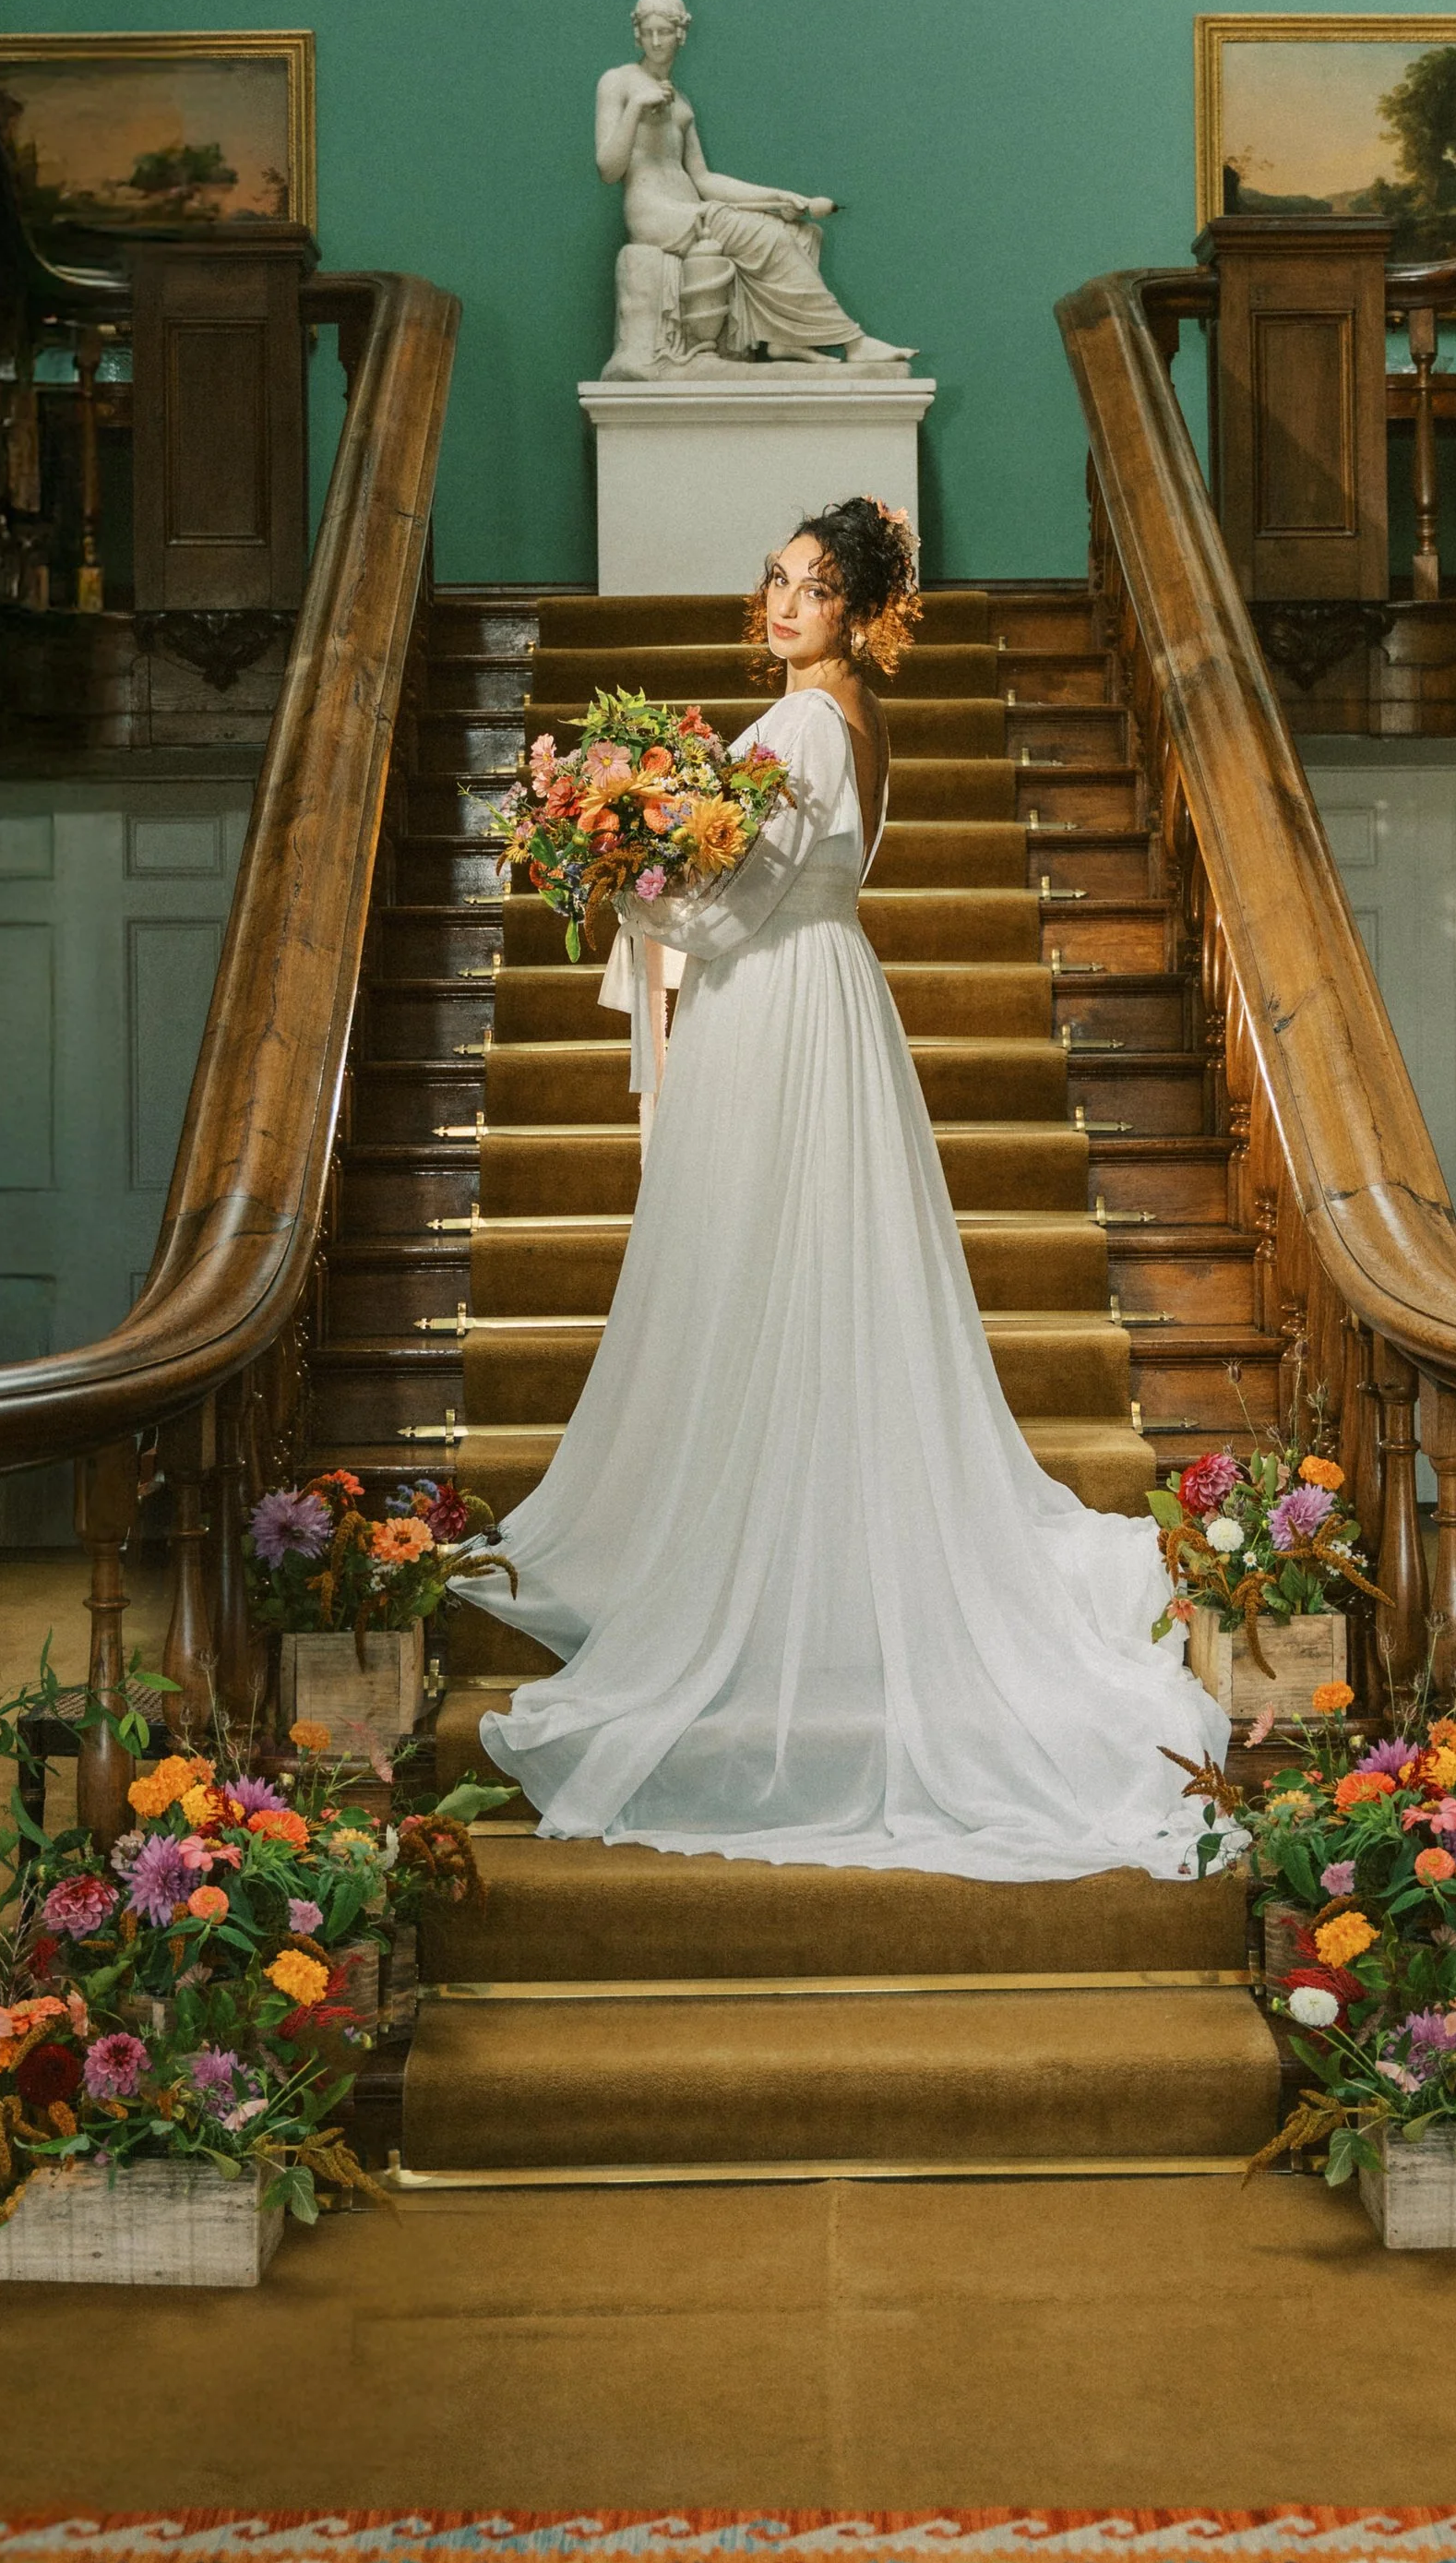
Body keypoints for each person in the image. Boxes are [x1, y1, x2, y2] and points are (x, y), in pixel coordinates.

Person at [479, 497, 1228, 1881]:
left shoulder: (814, 724)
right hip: (807, 996)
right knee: (783, 1270)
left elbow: (743, 901)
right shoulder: (828, 718)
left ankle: (776, 1557)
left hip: (781, 1001)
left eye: (815, 589)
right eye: (775, 577)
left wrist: (628, 884)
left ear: (859, 614)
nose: (783, 602)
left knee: (768, 1266)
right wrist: (641, 856)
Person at [596, 0, 913, 369]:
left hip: (691, 207)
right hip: (654, 213)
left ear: (681, 35)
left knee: (802, 234)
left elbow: (704, 179)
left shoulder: (682, 102)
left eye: (665, 32)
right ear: (637, 34)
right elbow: (609, 169)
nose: (656, 41)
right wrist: (634, 111)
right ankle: (854, 343)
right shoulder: (618, 82)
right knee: (768, 237)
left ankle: (783, 339)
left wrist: (777, 197)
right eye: (648, 33)